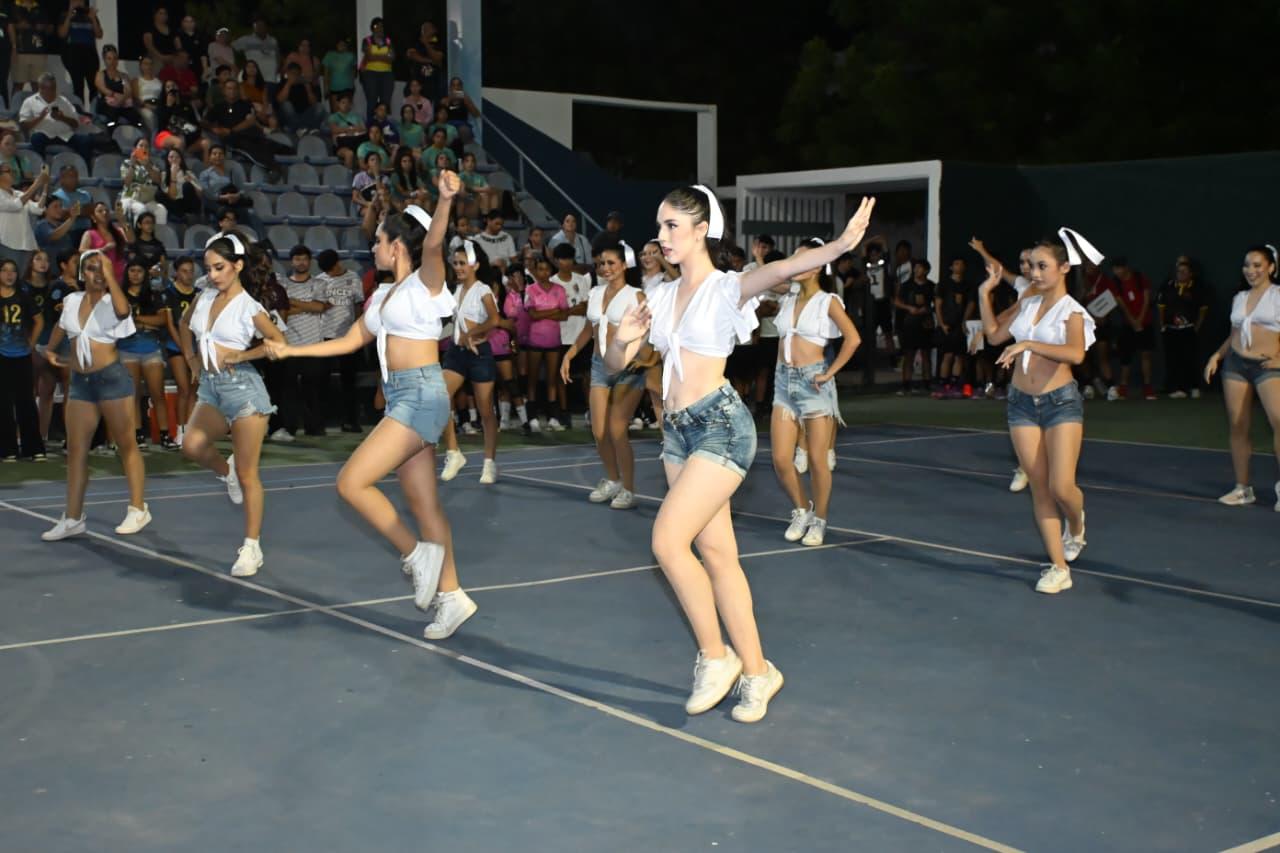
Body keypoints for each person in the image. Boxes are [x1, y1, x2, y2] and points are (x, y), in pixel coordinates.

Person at [607, 185, 875, 722]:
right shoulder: (659, 295)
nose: (661, 237)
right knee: (719, 557)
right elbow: (617, 363)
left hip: (721, 428)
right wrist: (621, 338)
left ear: (701, 229)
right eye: (659, 226)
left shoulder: (726, 288)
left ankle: (716, 655)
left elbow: (782, 270)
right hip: (677, 434)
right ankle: (757, 671)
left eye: (671, 226)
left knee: (667, 541)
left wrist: (841, 245)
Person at [265, 181, 478, 640]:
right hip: (402, 396)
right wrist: (291, 351)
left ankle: (415, 555)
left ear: (397, 246)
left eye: (379, 240)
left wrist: (444, 200)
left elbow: (434, 244)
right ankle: (452, 597)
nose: (373, 247)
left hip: (421, 393)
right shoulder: (382, 295)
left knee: (351, 482)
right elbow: (348, 341)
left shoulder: (425, 284)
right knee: (424, 505)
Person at [978, 229, 1098, 595]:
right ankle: (1058, 567)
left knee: (1062, 487)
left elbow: (1076, 354)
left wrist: (1029, 343)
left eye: (1043, 266)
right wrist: (984, 294)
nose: (1034, 273)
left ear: (1064, 268)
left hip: (1060, 402)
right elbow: (994, 335)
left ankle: (1076, 524)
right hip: (1021, 405)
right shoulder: (1028, 304)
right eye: (1031, 266)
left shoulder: (1072, 311)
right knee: (1041, 488)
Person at [178, 232, 285, 576]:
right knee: (191, 445)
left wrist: (243, 355)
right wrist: (191, 359)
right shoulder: (204, 296)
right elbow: (183, 324)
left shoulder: (250, 307)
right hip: (211, 388)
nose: (212, 275)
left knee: (249, 473)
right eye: (209, 268)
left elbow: (278, 343)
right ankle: (227, 473)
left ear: (238, 266)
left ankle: (252, 547)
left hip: (244, 391)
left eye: (219, 267)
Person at [41, 250, 150, 539]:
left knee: (126, 445)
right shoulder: (72, 301)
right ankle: (73, 518)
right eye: (91, 268)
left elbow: (124, 312)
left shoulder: (113, 301)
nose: (97, 273)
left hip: (111, 379)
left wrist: (110, 275)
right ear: (82, 273)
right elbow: (61, 326)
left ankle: (138, 508)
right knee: (76, 451)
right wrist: (49, 350)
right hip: (81, 384)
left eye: (102, 268)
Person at [771, 239, 861, 547]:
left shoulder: (827, 301)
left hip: (813, 384)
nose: (795, 264)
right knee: (781, 459)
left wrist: (829, 372)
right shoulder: (788, 297)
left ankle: (819, 520)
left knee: (819, 461)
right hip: (783, 382)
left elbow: (853, 339)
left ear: (818, 266)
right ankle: (802, 510)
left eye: (803, 260)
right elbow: (769, 280)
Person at [563, 241, 647, 508]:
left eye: (611, 263)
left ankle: (629, 490)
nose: (605, 268)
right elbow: (589, 329)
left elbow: (649, 332)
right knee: (599, 432)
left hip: (628, 369)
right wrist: (570, 353)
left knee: (617, 430)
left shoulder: (636, 295)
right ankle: (613, 480)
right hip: (599, 366)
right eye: (601, 263)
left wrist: (639, 358)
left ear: (624, 265)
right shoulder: (596, 293)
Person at [1203, 245, 1280, 511]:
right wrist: (1217, 355)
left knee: (1279, 421)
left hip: (1267, 365)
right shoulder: (1240, 297)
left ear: (1271, 267)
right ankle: (1242, 489)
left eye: (1257, 265)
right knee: (1238, 426)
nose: (1251, 270)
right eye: (1247, 265)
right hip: (1236, 365)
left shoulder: (1277, 296)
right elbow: (1235, 333)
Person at [278, 245, 327, 438]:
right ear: (291, 261)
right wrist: (308, 306)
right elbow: (282, 311)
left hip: (313, 344)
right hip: (289, 344)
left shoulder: (319, 283)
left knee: (313, 389)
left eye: (304, 259)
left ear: (310, 261)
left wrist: (292, 302)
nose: (301, 262)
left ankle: (314, 427)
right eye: (297, 259)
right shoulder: (283, 284)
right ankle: (289, 427)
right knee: (288, 390)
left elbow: (320, 307)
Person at [0, 257, 45, 461]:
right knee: (3, 403)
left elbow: (39, 321)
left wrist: (31, 344)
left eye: (13, 271)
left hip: (21, 355)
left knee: (26, 401)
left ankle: (33, 448)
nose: (9, 274)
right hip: (2, 356)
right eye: (4, 270)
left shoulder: (24, 296)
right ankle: (8, 449)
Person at [314, 249, 364, 432]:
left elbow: (358, 306)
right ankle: (319, 423)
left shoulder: (353, 278)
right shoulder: (319, 280)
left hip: (348, 337)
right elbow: (315, 307)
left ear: (337, 263)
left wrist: (357, 332)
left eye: (331, 269)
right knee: (321, 381)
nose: (329, 273)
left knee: (349, 381)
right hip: (324, 336)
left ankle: (350, 421)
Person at [523, 255, 568, 432]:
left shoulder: (559, 290)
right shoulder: (530, 290)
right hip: (535, 340)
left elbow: (564, 315)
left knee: (552, 379)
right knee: (533, 379)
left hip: (553, 340)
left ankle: (553, 418)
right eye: (540, 269)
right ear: (535, 271)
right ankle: (532, 417)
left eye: (547, 269)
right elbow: (532, 315)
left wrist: (544, 313)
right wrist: (553, 311)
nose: (544, 273)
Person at [1158, 257, 1208, 399]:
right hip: (1171, 330)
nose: (1181, 274)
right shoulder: (1168, 287)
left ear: (1190, 273)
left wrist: (1196, 327)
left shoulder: (1197, 288)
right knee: (1172, 360)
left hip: (1188, 329)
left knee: (1190, 359)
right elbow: (1161, 307)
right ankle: (1176, 388)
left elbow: (1203, 310)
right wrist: (1162, 325)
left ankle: (1194, 387)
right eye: (1179, 271)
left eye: (1184, 271)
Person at [161, 256, 198, 441]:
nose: (188, 275)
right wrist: (185, 349)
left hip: (196, 346)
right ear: (176, 272)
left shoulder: (199, 294)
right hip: (175, 346)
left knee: (194, 389)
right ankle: (180, 430)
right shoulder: (169, 293)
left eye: (191, 271)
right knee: (183, 388)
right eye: (184, 271)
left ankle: (190, 429)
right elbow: (171, 325)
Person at [19, 73, 95, 162]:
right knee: (36, 138)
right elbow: (23, 126)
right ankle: (42, 168)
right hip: (43, 135)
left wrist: (62, 118)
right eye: (49, 88)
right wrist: (40, 117)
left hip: (64, 135)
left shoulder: (64, 101)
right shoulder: (30, 102)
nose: (52, 91)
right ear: (41, 89)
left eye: (53, 88)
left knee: (86, 140)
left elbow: (75, 124)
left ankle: (84, 169)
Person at [1112, 257, 1156, 400]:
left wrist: (1140, 319)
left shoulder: (1139, 278)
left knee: (1146, 355)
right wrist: (1132, 321)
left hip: (1145, 323)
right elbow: (1121, 304)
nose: (1117, 272)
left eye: (1119, 268)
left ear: (1126, 267)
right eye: (1114, 269)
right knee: (1125, 357)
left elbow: (1146, 299)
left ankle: (1148, 387)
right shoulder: (1116, 283)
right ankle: (1123, 388)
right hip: (1128, 325)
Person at [894, 258, 935, 394]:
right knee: (909, 354)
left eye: (919, 267)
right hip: (910, 323)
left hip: (926, 323)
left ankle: (927, 384)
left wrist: (927, 309)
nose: (916, 270)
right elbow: (897, 301)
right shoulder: (907, 285)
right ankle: (906, 384)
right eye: (915, 267)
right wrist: (909, 308)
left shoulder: (931, 286)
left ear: (926, 270)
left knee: (926, 354)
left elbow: (937, 303)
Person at [0, 160, 50, 270]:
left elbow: (38, 209)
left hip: (27, 243)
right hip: (8, 243)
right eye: (8, 171)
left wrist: (45, 187)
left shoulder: (18, 193)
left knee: (23, 277)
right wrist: (36, 184)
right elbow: (16, 205)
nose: (12, 173)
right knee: (11, 276)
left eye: (13, 171)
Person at [57, 0, 102, 104]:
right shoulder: (65, 14)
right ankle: (80, 111)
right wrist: (69, 15)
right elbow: (62, 34)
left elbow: (99, 34)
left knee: (93, 86)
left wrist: (93, 19)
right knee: (78, 87)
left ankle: (93, 111)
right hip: (74, 54)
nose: (78, 2)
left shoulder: (90, 13)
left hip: (90, 53)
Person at [119, 138, 167, 225]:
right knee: (141, 209)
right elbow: (126, 182)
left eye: (146, 146)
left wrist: (147, 166)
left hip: (148, 199)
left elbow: (158, 181)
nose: (143, 148)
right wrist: (132, 165)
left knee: (161, 210)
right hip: (130, 197)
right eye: (141, 146)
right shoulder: (127, 163)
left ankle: (159, 233)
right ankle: (138, 233)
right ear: (135, 149)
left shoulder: (153, 165)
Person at [358, 17, 395, 121]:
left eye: (381, 26)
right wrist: (384, 57)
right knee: (371, 101)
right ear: (372, 28)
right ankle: (371, 124)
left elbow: (392, 58)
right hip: (370, 73)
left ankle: (384, 125)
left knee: (385, 101)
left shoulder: (388, 41)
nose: (379, 28)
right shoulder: (367, 40)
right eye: (376, 26)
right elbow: (369, 57)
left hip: (387, 74)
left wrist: (377, 56)